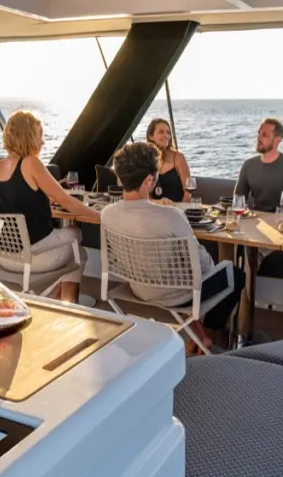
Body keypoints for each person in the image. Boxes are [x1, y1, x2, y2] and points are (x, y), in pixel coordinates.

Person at [100, 141, 245, 352]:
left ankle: (200, 338)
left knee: (184, 273)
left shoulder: (107, 214)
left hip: (137, 289)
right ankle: (210, 335)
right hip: (178, 296)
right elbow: (204, 266)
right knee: (234, 273)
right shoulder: (171, 216)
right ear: (149, 180)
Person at [0, 110, 99, 302]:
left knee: (75, 249)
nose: (42, 141)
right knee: (76, 238)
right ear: (28, 136)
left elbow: (20, 198)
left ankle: (58, 297)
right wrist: (100, 216)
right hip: (33, 258)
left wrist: (44, 199)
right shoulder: (31, 163)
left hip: (6, 258)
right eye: (39, 135)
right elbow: (67, 201)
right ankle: (67, 305)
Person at [235, 118, 283, 214]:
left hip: (282, 221)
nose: (259, 138)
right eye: (259, 133)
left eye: (264, 135)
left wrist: (279, 219)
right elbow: (238, 200)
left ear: (278, 139)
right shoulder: (248, 165)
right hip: (256, 219)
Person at [146, 118, 192, 203]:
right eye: (161, 132)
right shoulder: (146, 160)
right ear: (150, 136)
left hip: (178, 208)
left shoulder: (178, 158)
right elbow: (146, 195)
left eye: (168, 132)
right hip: (154, 209)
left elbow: (188, 192)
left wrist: (180, 209)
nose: (166, 136)